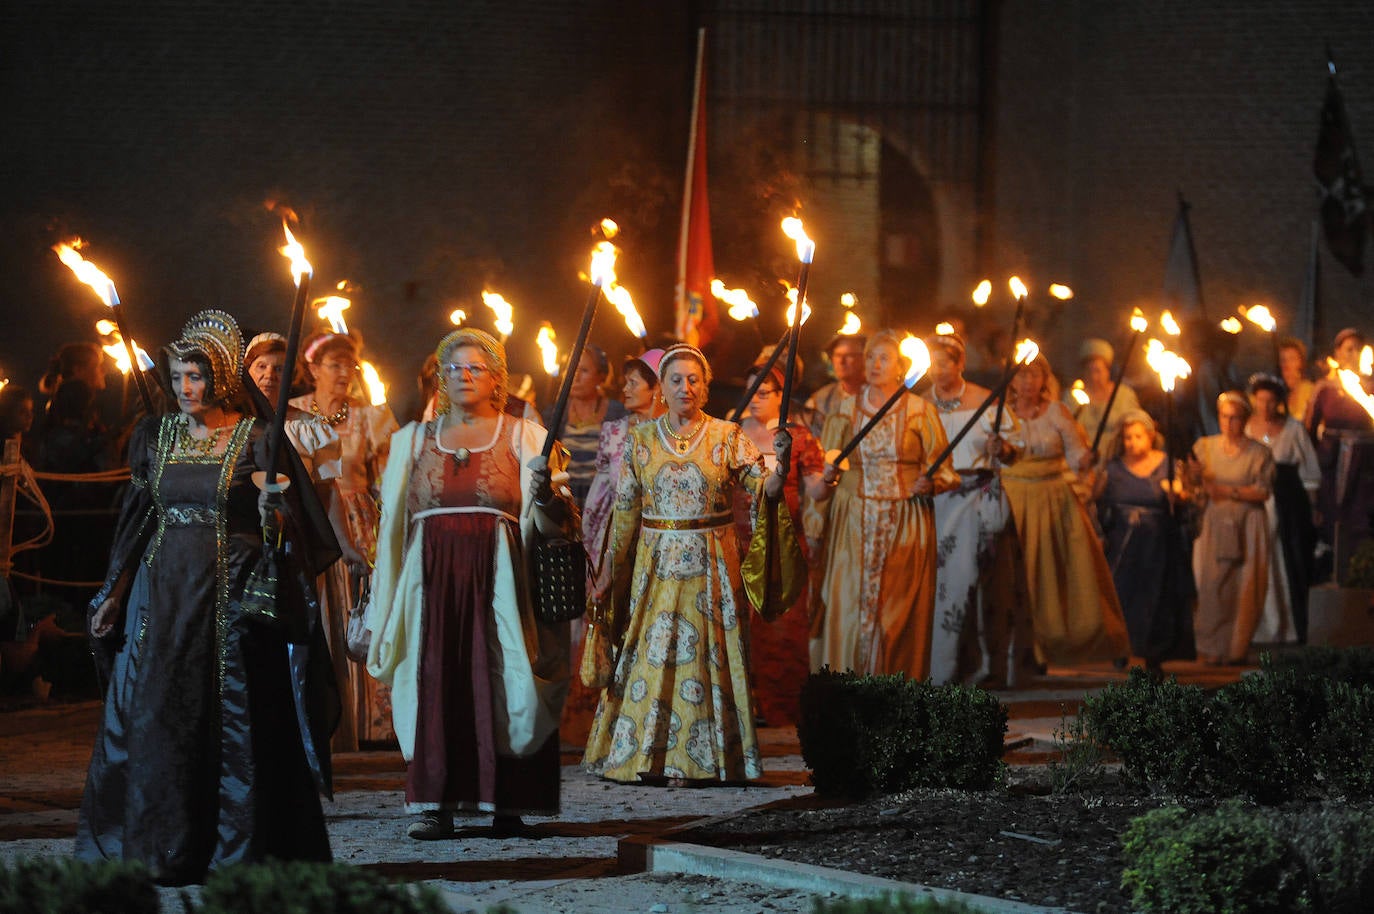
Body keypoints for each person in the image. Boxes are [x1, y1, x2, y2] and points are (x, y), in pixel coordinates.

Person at [77, 310, 335, 884]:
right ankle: (162, 848)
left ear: (219, 378)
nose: (186, 388)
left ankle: (236, 851)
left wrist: (275, 517)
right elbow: (140, 520)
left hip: (230, 598)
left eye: (196, 376)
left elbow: (289, 530)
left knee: (234, 721)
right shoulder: (156, 436)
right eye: (177, 378)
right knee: (158, 715)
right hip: (161, 600)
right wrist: (115, 596)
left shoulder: (258, 439)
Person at [366, 328, 574, 838]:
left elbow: (556, 524)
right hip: (431, 587)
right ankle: (435, 806)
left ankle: (509, 805)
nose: (463, 377)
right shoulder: (411, 441)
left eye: (475, 368)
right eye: (454, 368)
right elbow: (392, 526)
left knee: (504, 681)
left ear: (497, 378)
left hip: (502, 583)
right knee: (435, 682)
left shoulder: (525, 436)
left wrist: (547, 496)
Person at [583, 344, 793, 785]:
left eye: (693, 379)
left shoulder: (727, 436)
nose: (685, 387)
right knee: (653, 656)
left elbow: (764, 491)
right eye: (676, 379)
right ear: (663, 387)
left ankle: (708, 760)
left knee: (706, 659)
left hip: (713, 566)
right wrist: (606, 574)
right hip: (655, 567)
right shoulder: (640, 441)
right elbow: (624, 514)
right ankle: (647, 758)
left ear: (706, 386)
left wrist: (780, 468)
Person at [814, 330, 961, 679]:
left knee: (895, 614)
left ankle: (894, 693)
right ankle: (849, 692)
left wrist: (931, 481)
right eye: (870, 357)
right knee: (850, 605)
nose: (875, 364)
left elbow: (946, 470)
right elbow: (827, 472)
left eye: (883, 358)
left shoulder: (920, 411)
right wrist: (831, 473)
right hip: (854, 520)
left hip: (905, 522)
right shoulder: (846, 409)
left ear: (900, 367)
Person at [291, 332, 399, 749]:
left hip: (361, 524)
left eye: (350, 365)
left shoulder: (369, 416)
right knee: (322, 613)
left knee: (360, 614)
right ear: (314, 369)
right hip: (315, 519)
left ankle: (370, 722)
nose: (344, 374)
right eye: (334, 365)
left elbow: (388, 479)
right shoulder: (296, 414)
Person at [995, 353, 1130, 666]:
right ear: (1011, 379)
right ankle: (1026, 648)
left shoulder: (1057, 411)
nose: (1027, 381)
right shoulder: (1000, 414)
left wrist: (1086, 459)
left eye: (1034, 374)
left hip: (1053, 499)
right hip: (1014, 500)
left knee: (1063, 573)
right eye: (1021, 374)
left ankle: (1091, 643)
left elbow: (1075, 454)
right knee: (1019, 575)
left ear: (1045, 378)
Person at [562, 348, 666, 744]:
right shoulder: (616, 430)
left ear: (657, 389)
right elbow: (602, 491)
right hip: (614, 537)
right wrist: (592, 542)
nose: (624, 388)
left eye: (634, 382)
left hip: (657, 535)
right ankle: (602, 720)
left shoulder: (672, 433)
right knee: (610, 620)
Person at [922, 332, 1034, 687]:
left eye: (945, 363)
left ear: (960, 364)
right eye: (932, 363)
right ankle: (943, 668)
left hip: (977, 502)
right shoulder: (919, 404)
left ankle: (991, 666)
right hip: (936, 502)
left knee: (983, 584)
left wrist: (1000, 448)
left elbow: (1016, 450)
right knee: (941, 588)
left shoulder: (987, 402)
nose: (938, 371)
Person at [733, 357, 828, 725]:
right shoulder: (731, 434)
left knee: (781, 627)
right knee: (741, 626)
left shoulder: (798, 436)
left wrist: (831, 476)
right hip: (737, 543)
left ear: (780, 395)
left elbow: (816, 491)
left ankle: (783, 709)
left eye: (763, 392)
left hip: (782, 546)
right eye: (750, 392)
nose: (755, 399)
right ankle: (743, 705)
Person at [1096, 410, 1196, 670]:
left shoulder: (1168, 464)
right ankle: (1122, 647)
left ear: (1151, 437)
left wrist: (1178, 498)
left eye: (1138, 436)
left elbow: (1184, 503)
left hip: (1157, 543)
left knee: (1156, 597)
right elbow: (1099, 501)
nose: (1132, 442)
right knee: (1123, 595)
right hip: (1124, 543)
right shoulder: (1113, 468)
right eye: (1127, 437)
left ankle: (1155, 652)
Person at [1190, 391, 1274, 664]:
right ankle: (1210, 647)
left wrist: (1227, 490)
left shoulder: (1259, 453)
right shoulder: (1206, 447)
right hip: (1216, 524)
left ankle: (1236, 649)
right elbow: (1195, 487)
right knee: (1213, 584)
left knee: (1245, 587)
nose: (1229, 423)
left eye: (1236, 418)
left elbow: (1262, 491)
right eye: (1225, 417)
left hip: (1248, 525)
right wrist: (1193, 478)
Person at [1245, 374, 1319, 644]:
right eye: (1260, 400)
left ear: (1278, 402)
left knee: (1286, 562)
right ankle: (1257, 629)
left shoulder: (1293, 429)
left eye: (1270, 401)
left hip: (1287, 504)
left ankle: (1289, 628)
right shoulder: (1246, 428)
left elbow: (1309, 472)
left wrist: (1312, 508)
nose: (1265, 406)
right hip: (1254, 501)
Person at [1305, 328, 1374, 579]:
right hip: (1332, 466)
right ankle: (1331, 570)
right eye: (1348, 349)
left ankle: (1360, 574)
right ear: (1338, 353)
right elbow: (1308, 431)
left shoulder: (1370, 389)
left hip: (1365, 466)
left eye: (1358, 348)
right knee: (1332, 517)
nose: (1353, 354)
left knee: (1362, 519)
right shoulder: (1325, 388)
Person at [542, 344, 624, 507]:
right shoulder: (555, 414)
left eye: (584, 371)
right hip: (565, 504)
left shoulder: (616, 414)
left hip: (602, 506)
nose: (575, 376)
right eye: (572, 369)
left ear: (601, 376)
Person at [1068, 338, 1139, 461]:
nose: (1093, 377)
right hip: (1082, 461)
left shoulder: (1124, 395)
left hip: (1118, 460)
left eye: (1098, 371)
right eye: (1089, 371)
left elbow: (1136, 426)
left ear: (1107, 371)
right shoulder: (1072, 396)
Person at [805, 334, 866, 438]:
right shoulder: (820, 400)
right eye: (837, 355)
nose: (841, 361)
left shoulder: (879, 397)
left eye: (849, 355)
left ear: (863, 358)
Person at [1278, 337, 1315, 423]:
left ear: (1301, 362)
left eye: (1292, 359)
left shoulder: (1309, 391)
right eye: (1283, 360)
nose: (1286, 364)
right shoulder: (1278, 393)